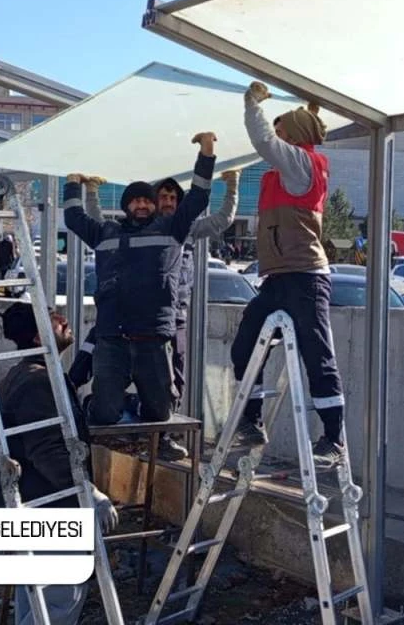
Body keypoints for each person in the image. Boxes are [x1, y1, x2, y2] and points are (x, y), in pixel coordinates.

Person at [0, 301, 117, 625]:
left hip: (34, 504)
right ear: (37, 338)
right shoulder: (38, 383)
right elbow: (49, 452)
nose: (64, 319)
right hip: (49, 506)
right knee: (59, 600)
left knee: (38, 600)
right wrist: (90, 494)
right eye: (54, 318)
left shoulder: (31, 374)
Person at [76, 168, 241, 460]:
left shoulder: (183, 227)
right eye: (162, 196)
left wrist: (232, 185)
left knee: (172, 380)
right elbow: (100, 228)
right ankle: (101, 406)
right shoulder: (135, 229)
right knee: (95, 355)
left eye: (172, 198)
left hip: (172, 315)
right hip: (124, 317)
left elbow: (222, 219)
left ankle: (160, 434)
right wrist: (91, 193)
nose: (167, 202)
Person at [62, 136, 216, 441]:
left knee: (160, 412)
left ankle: (132, 404)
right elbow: (73, 218)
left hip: (152, 338)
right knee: (105, 414)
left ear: (154, 206)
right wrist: (72, 184)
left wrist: (207, 154)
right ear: (126, 206)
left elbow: (198, 199)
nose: (142, 205)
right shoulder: (106, 233)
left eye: (147, 201)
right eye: (136, 201)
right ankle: (98, 403)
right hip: (113, 338)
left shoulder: (171, 229)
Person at [230, 81, 347, 471]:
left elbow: (264, 140)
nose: (275, 140)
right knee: (246, 344)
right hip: (278, 278)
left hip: (305, 276)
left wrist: (252, 104)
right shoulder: (291, 168)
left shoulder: (301, 163)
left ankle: (333, 439)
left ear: (295, 137)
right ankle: (251, 421)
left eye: (282, 132)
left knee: (317, 354)